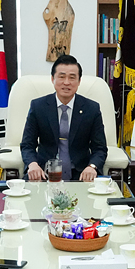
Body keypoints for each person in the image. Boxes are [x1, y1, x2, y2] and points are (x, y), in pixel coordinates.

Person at [21, 54, 107, 182]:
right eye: (61, 77)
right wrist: (32, 164)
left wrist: (92, 166)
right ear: (52, 79)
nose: (66, 82)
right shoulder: (38, 106)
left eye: (72, 78)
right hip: (44, 172)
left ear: (79, 81)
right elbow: (27, 145)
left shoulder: (92, 109)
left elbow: (100, 148)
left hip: (81, 174)